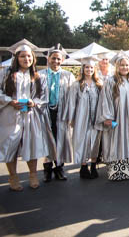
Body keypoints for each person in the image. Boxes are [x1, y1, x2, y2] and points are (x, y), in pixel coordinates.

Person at [0, 40, 55, 191]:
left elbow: (44, 97)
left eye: (29, 56)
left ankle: (33, 175)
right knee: (10, 145)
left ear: (33, 58)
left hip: (31, 116)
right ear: (16, 58)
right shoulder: (5, 74)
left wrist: (33, 102)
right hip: (11, 115)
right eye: (23, 56)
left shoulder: (38, 76)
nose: (26, 59)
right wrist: (9, 101)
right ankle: (13, 177)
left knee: (32, 144)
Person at [95, 52, 129, 181]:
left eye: (127, 65)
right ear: (117, 66)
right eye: (122, 65)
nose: (124, 67)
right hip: (118, 118)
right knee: (117, 141)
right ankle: (117, 172)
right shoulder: (111, 81)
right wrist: (108, 117)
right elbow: (105, 100)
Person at [39, 44, 75, 182]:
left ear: (62, 60)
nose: (56, 61)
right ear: (48, 59)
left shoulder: (68, 75)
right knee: (47, 139)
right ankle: (47, 169)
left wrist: (71, 114)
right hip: (45, 112)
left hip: (62, 112)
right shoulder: (40, 75)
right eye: (53, 58)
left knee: (61, 139)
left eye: (59, 59)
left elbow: (72, 96)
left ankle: (59, 167)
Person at [66, 57, 103, 179]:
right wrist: (71, 118)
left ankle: (93, 165)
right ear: (82, 69)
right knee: (83, 141)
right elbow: (71, 102)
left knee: (95, 142)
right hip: (81, 118)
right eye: (87, 67)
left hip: (96, 118)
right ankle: (83, 166)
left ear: (95, 69)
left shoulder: (99, 84)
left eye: (91, 67)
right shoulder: (76, 85)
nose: (89, 69)